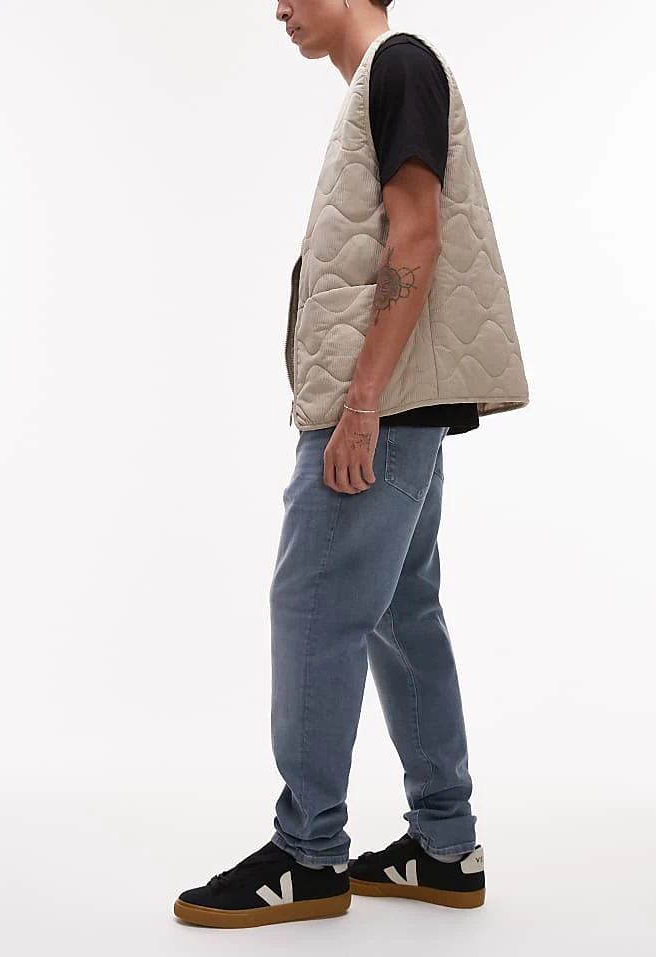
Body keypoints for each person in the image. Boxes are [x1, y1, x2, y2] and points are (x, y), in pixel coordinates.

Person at [174, 0, 529, 930]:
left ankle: (307, 853)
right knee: (403, 613)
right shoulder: (385, 78)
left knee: (313, 606)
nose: (280, 8)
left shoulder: (399, 65)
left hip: (380, 407)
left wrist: (360, 404)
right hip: (404, 405)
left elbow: (416, 236)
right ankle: (443, 846)